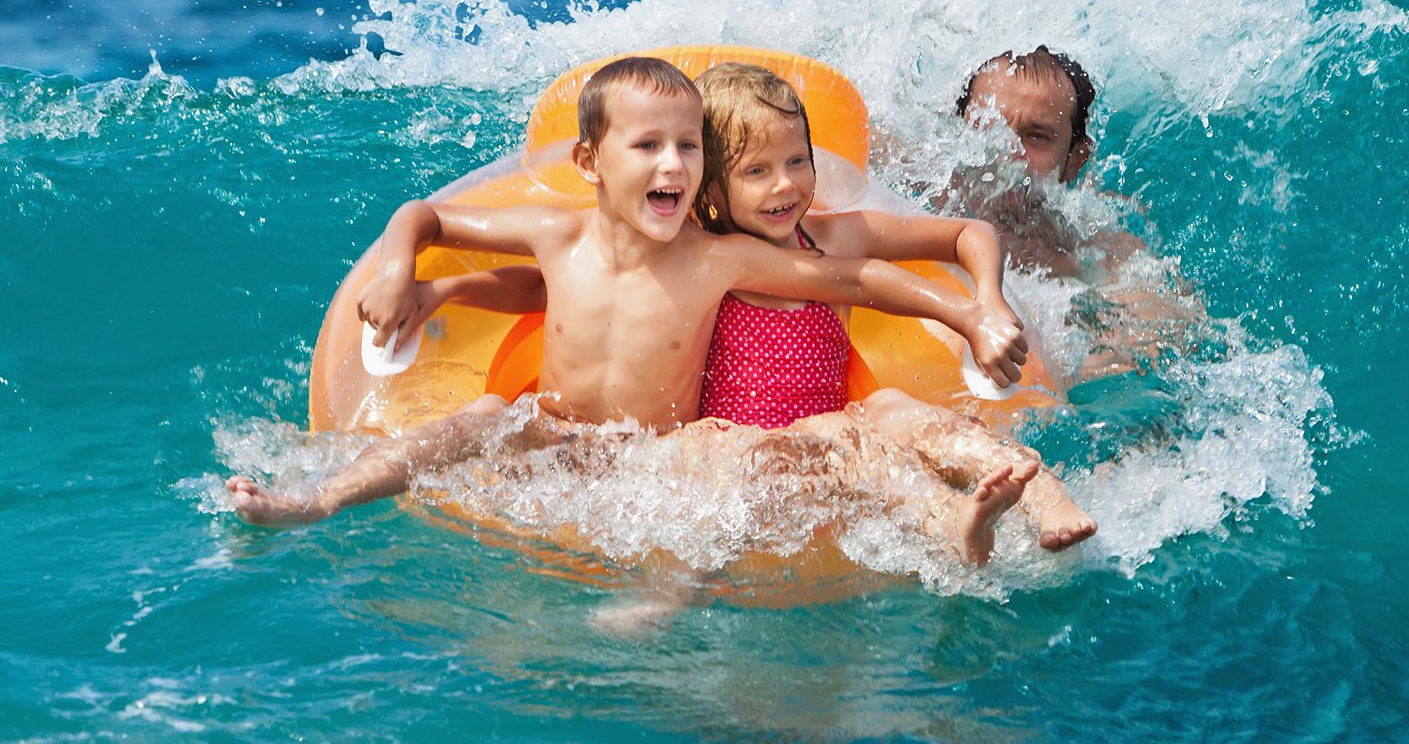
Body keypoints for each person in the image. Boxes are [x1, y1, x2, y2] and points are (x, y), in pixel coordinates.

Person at [226, 57, 1035, 567]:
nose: (672, 165)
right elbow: (424, 216)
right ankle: (317, 500)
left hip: (658, 456)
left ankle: (950, 532)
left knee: (728, 468)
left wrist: (967, 314)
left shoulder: (717, 256)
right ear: (588, 161)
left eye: (688, 147)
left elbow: (856, 283)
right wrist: (407, 276)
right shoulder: (553, 233)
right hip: (546, 431)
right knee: (471, 419)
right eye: (648, 146)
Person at [425, 62, 1097, 553]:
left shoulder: (832, 234)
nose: (786, 186)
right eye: (756, 171)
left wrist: (983, 303)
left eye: (798, 162)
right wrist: (444, 291)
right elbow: (554, 290)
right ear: (708, 183)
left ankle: (1033, 497)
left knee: (893, 416)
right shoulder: (693, 253)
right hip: (741, 449)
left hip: (829, 426)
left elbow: (963, 234)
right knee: (771, 444)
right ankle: (947, 526)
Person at [955, 45, 1204, 379]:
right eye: (988, 126)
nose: (1008, 151)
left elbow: (1169, 325)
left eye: (1036, 136)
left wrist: (1095, 367)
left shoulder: (1089, 254)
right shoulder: (918, 193)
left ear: (1074, 160)